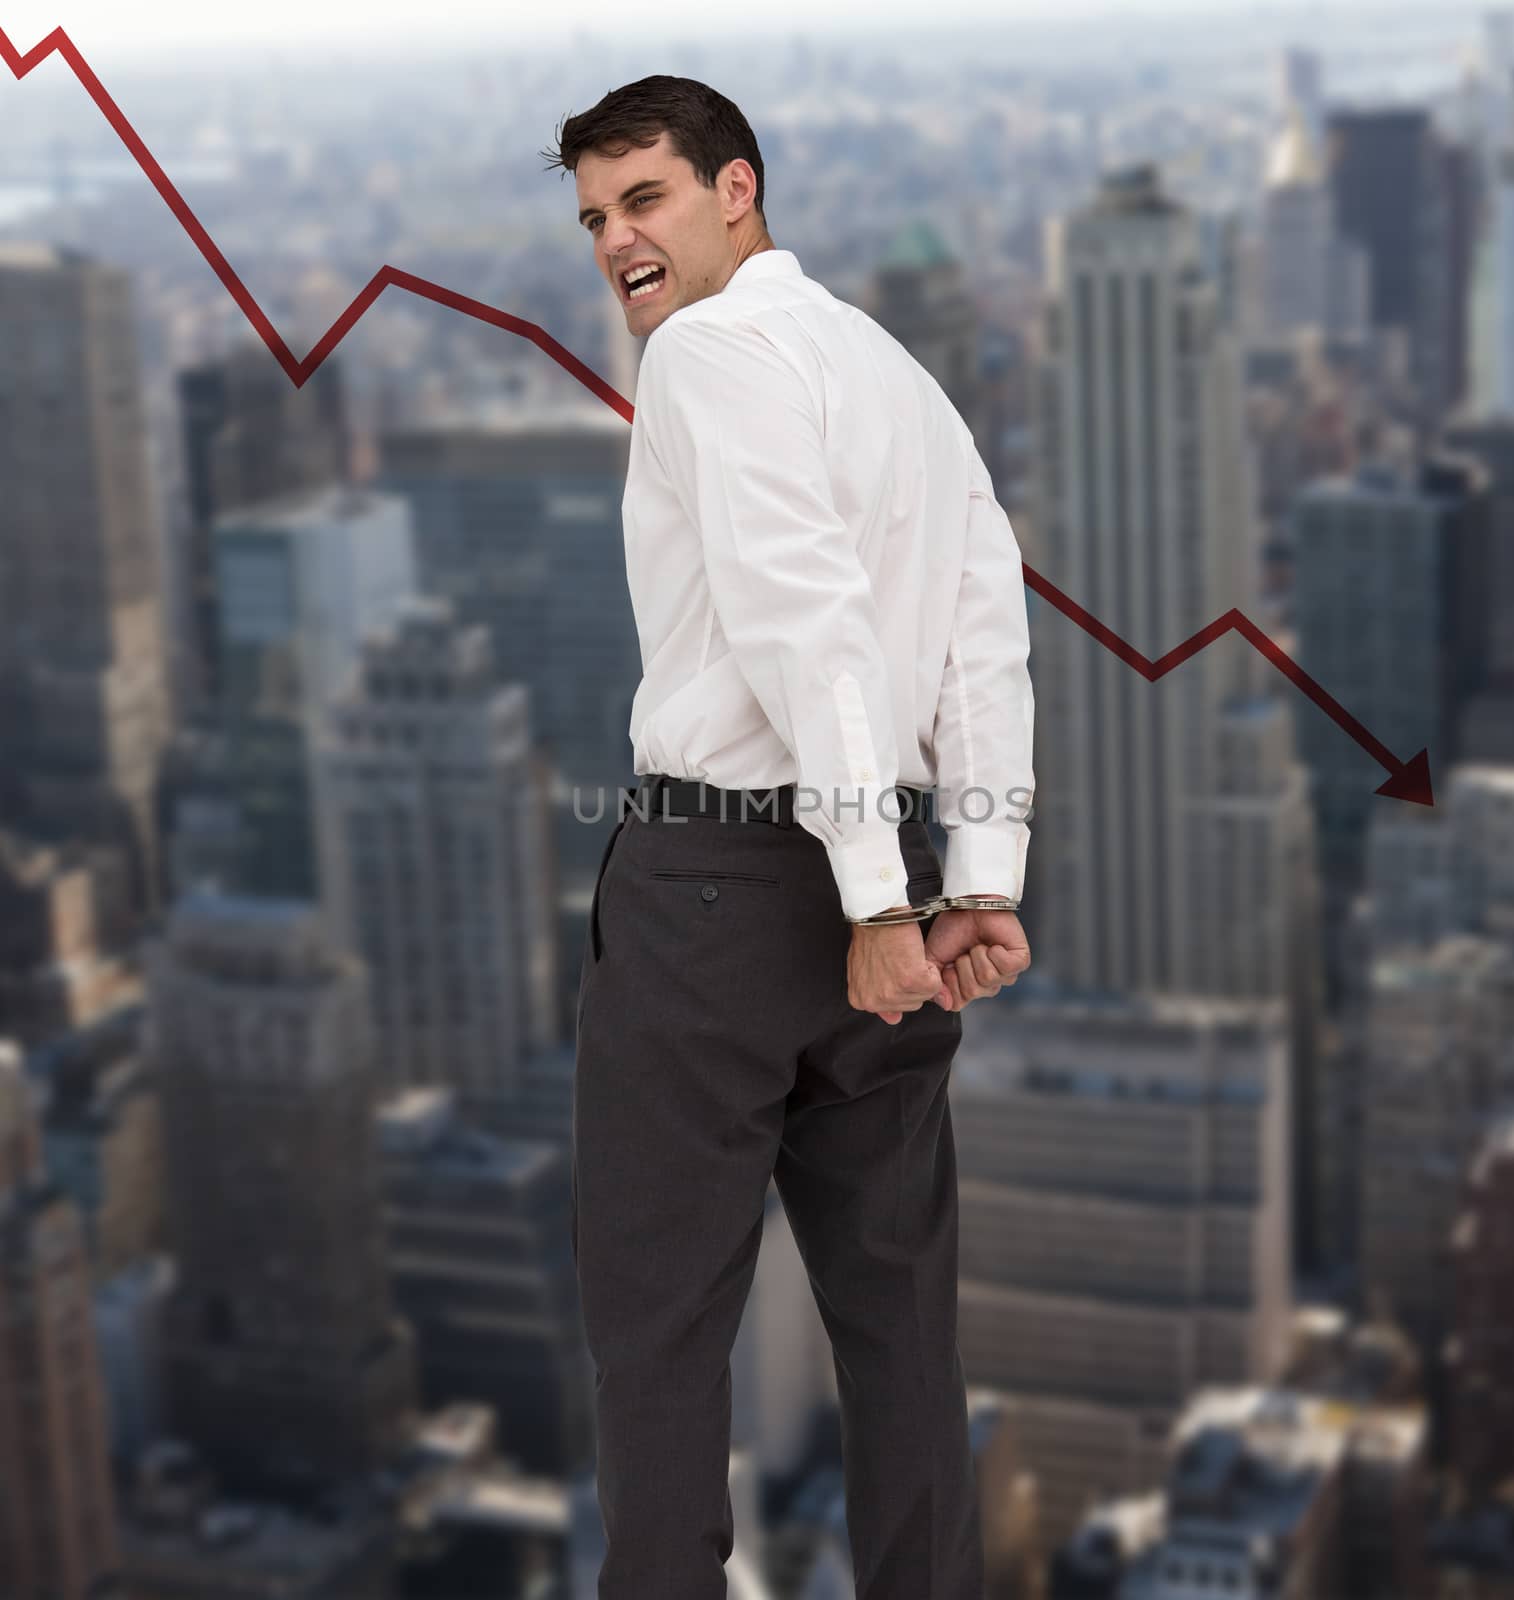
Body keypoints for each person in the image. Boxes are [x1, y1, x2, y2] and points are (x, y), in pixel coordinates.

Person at [540, 74, 1035, 1600]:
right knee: (898, 1326)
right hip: (884, 873)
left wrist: (883, 904)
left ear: (736, 188)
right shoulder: (896, 376)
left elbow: (800, 616)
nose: (618, 242)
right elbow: (984, 639)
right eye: (594, 217)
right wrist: (982, 879)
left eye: (647, 200)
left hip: (719, 897)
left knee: (661, 1326)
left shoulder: (705, 350)